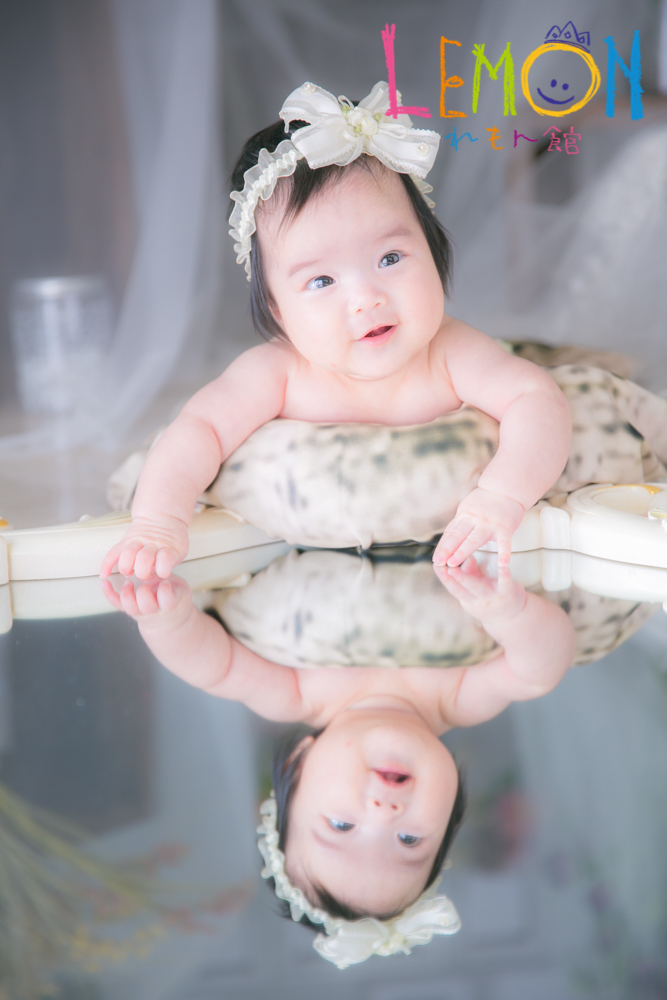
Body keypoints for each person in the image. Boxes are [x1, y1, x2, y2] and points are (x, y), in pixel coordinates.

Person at [100, 80, 571, 582]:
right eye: (322, 281)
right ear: (279, 311)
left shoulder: (450, 351)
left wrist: (500, 496)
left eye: (390, 258)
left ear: (434, 252)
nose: (366, 298)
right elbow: (199, 430)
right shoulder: (278, 373)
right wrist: (159, 522)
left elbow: (536, 398)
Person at [102, 555, 575, 967]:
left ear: (299, 764)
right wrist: (508, 612)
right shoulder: (460, 696)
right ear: (452, 808)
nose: (383, 815)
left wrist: (168, 623)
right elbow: (539, 670)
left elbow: (215, 667)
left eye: (342, 826)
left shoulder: (299, 692)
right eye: (409, 840)